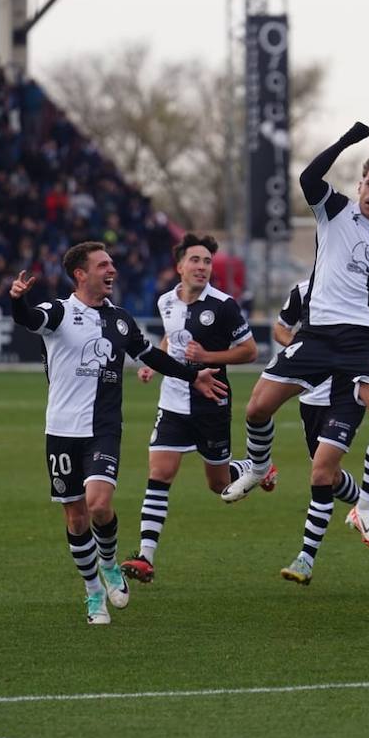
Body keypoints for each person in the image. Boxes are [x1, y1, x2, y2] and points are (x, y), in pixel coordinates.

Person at [220, 122, 369, 561]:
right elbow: (308, 179)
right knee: (256, 408)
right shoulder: (335, 210)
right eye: (367, 182)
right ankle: (256, 466)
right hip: (317, 336)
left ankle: (366, 506)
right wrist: (346, 142)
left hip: (362, 343)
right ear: (360, 185)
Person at [11, 242, 228, 624]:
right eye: (102, 265)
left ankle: (109, 564)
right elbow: (29, 319)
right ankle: (93, 591)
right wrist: (17, 300)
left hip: (103, 428)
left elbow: (152, 356)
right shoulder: (59, 312)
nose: (111, 270)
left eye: (112, 264)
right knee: (76, 518)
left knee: (98, 505)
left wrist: (194, 376)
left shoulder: (121, 321)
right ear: (81, 274)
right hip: (60, 430)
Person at [118, 233, 270, 583]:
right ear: (180, 266)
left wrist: (208, 357)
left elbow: (249, 351)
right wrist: (153, 362)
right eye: (195, 261)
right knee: (159, 474)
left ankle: (257, 466)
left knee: (218, 485)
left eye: (207, 262)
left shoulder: (224, 305)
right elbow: (172, 337)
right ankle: (145, 557)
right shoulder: (165, 301)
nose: (202, 267)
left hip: (211, 402)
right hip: (172, 401)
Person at [273, 278, 369, 584]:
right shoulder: (304, 289)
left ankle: (305, 558)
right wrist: (304, 354)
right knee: (329, 473)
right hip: (311, 396)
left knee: (319, 474)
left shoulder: (359, 288)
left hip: (346, 392)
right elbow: (280, 327)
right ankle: (362, 504)